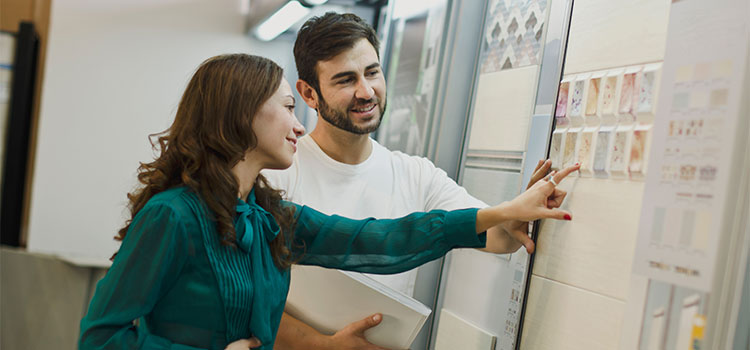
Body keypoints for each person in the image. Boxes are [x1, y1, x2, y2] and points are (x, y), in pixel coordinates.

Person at [78, 54, 575, 350]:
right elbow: (100, 337)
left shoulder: (267, 217)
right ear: (242, 115)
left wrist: (504, 212)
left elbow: (379, 238)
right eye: (289, 108)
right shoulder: (173, 216)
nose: (299, 126)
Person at [264, 12, 580, 350]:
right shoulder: (277, 173)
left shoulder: (416, 174)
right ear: (309, 94)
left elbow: (500, 238)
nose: (366, 91)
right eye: (345, 80)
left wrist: (517, 211)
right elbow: (249, 295)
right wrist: (321, 344)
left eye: (372, 72)